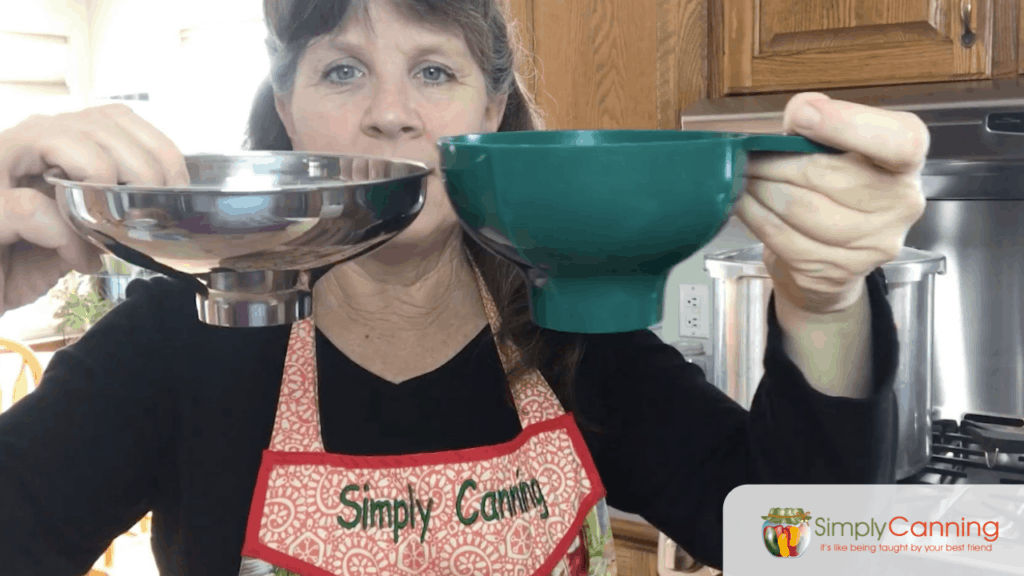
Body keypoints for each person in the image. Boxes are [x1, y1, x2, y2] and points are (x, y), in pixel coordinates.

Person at [0, 0, 927, 574]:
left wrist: (826, 299)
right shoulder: (178, 340)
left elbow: (815, 544)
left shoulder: (576, 336)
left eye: (433, 70)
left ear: (492, 109)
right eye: (342, 69)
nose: (390, 112)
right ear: (289, 111)